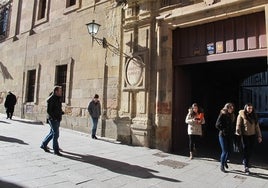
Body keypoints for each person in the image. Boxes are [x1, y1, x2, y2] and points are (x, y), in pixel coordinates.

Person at [236, 103, 262, 175]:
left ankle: (245, 161)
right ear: (245, 108)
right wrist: (238, 131)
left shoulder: (254, 116)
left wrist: (259, 136)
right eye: (248, 108)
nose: (250, 110)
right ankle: (246, 166)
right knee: (246, 149)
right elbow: (238, 124)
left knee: (251, 150)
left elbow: (257, 127)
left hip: (252, 135)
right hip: (245, 135)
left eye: (251, 108)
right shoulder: (241, 114)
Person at [40, 86, 64, 156]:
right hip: (53, 119)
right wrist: (54, 118)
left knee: (52, 133)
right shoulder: (52, 99)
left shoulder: (58, 98)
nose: (61, 92)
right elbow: (49, 111)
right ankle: (56, 150)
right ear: (56, 91)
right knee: (56, 134)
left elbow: (57, 109)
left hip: (57, 118)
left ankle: (44, 144)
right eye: (60, 91)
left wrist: (61, 112)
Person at [215, 103, 236, 173]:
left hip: (230, 135)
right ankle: (222, 166)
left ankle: (225, 161)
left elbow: (233, 126)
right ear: (227, 108)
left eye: (232, 108)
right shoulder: (222, 114)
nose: (231, 109)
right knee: (224, 151)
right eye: (230, 108)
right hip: (222, 135)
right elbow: (217, 125)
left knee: (230, 151)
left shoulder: (232, 115)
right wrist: (223, 130)